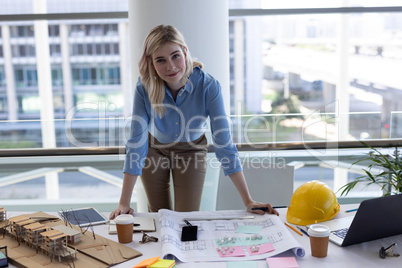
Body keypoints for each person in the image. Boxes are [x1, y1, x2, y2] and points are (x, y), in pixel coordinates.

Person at [109, 25, 278, 219]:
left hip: (191, 151)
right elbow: (136, 142)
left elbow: (224, 144)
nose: (170, 66)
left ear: (185, 52)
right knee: (158, 216)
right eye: (161, 60)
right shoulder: (144, 87)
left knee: (186, 219)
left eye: (175, 56)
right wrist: (124, 202)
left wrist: (248, 200)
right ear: (151, 62)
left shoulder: (208, 86)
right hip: (153, 148)